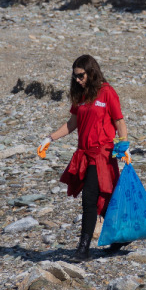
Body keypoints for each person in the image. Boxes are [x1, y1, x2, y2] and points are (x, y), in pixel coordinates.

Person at [38, 55, 130, 262]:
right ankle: (122, 235)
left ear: (91, 72)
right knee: (100, 198)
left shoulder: (107, 92)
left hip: (102, 154)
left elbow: (119, 121)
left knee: (90, 198)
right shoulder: (81, 95)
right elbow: (72, 123)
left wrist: (124, 146)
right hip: (84, 154)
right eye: (75, 77)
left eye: (81, 76)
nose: (77, 80)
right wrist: (49, 139)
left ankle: (83, 249)